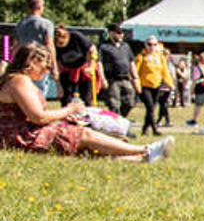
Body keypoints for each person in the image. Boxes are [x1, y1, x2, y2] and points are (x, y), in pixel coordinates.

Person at [0, 43, 170, 162]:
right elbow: (38, 117)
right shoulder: (19, 81)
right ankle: (145, 149)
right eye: (45, 67)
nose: (46, 72)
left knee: (87, 149)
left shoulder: (16, 80)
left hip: (21, 135)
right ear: (31, 62)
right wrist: (69, 109)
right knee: (82, 135)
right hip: (22, 137)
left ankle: (140, 159)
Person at [13, 0, 55, 100]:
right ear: (41, 7)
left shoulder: (20, 24)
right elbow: (50, 45)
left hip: (23, 63)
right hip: (40, 62)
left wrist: (9, 61)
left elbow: (15, 45)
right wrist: (54, 66)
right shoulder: (47, 24)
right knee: (40, 91)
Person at [133, 38, 175, 136]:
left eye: (154, 44)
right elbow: (135, 72)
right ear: (145, 45)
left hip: (156, 86)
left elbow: (165, 72)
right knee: (150, 107)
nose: (152, 47)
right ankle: (154, 129)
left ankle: (145, 128)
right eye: (149, 44)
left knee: (151, 109)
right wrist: (137, 85)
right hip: (144, 86)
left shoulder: (160, 58)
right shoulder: (141, 57)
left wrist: (170, 84)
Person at [97, 24, 137, 118]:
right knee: (114, 104)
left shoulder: (126, 46)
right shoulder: (103, 46)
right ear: (111, 33)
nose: (121, 35)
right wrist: (102, 79)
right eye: (118, 33)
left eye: (122, 33)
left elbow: (131, 61)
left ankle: (120, 119)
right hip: (112, 80)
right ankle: (116, 122)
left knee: (130, 102)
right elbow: (99, 63)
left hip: (126, 78)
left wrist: (135, 77)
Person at [52, 26, 95, 105]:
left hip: (83, 69)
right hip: (66, 70)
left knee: (87, 98)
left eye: (62, 43)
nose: (61, 46)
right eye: (58, 44)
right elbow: (56, 64)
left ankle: (88, 114)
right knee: (65, 99)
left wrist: (91, 67)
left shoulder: (76, 36)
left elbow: (92, 50)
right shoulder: (53, 45)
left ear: (67, 38)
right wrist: (58, 86)